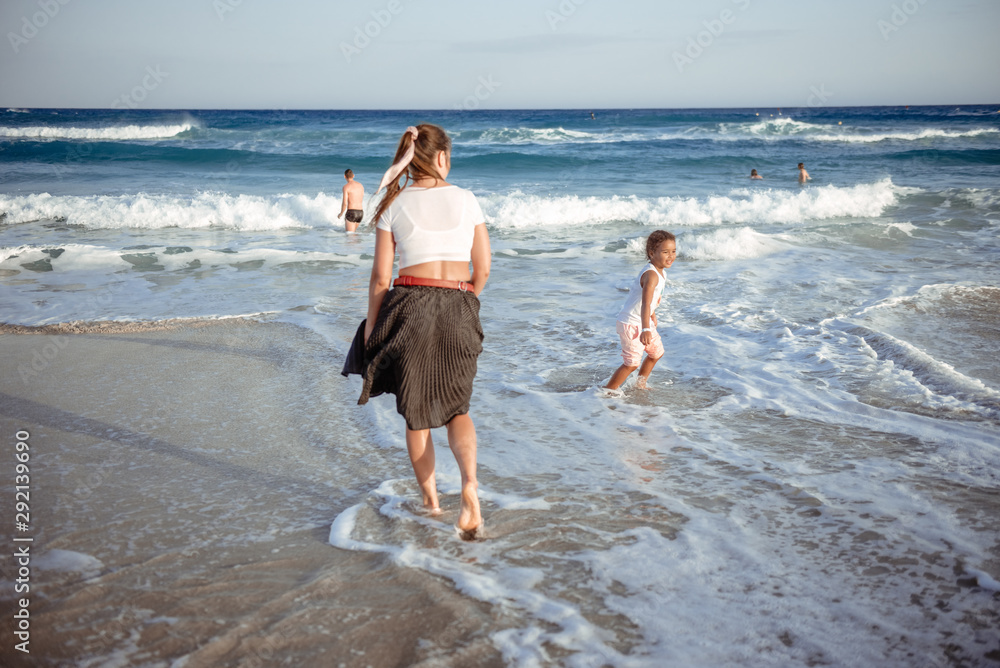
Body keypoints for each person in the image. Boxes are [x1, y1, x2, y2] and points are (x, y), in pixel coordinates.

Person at [345, 124, 491, 540]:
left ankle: (431, 504)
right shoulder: (467, 199)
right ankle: (469, 484)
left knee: (417, 414)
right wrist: (464, 301)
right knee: (458, 410)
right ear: (442, 157)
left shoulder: (394, 203)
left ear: (411, 157)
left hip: (410, 305)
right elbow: (482, 268)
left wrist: (374, 330)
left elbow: (379, 278)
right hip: (459, 301)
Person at [605, 231, 676, 390]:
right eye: (665, 252)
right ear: (652, 253)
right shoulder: (651, 275)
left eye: (673, 251)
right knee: (631, 364)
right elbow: (645, 303)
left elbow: (649, 302)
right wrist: (645, 328)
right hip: (632, 324)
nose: (671, 256)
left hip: (644, 321)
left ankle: (640, 383)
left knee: (656, 353)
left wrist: (652, 315)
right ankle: (608, 391)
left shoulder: (661, 271)